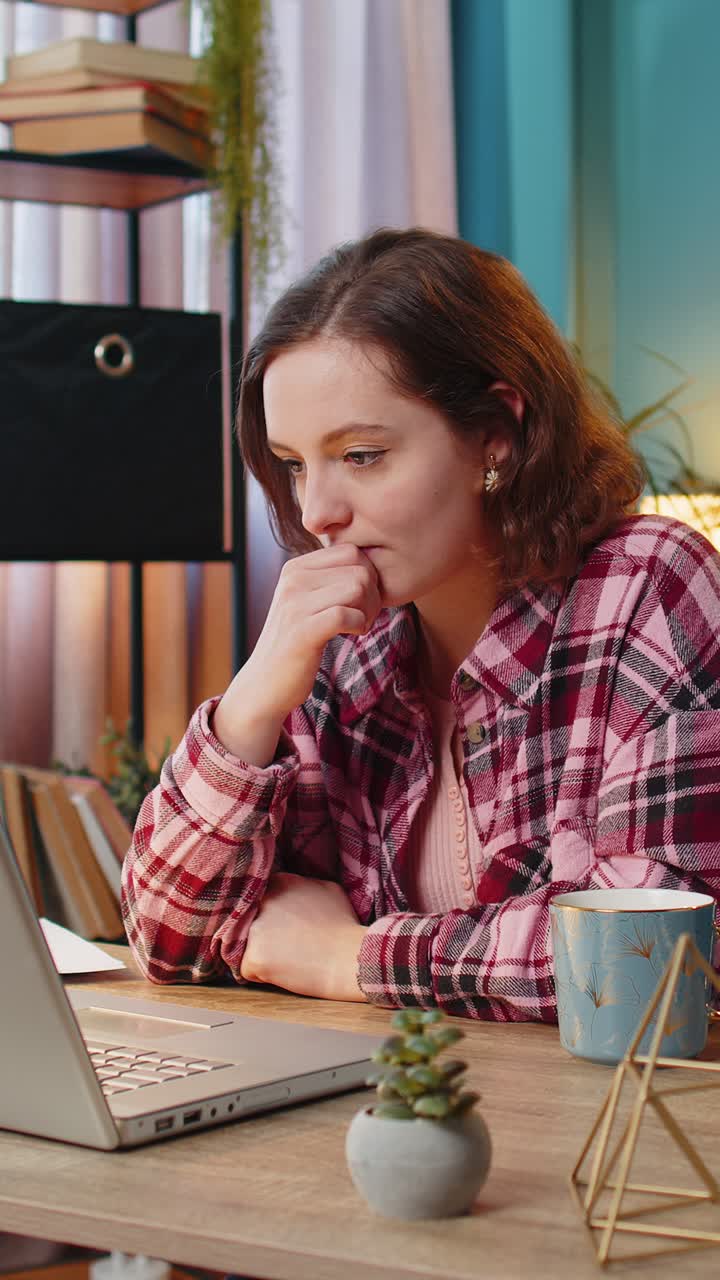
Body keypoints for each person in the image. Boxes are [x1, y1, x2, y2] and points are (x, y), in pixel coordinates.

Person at [121, 227, 720, 1021]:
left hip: (604, 1131)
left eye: (362, 454)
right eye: (295, 463)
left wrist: (353, 958)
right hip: (396, 1117)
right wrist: (252, 703)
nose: (316, 511)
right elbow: (170, 938)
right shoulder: (349, 646)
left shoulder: (647, 586)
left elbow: (657, 960)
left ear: (495, 437)